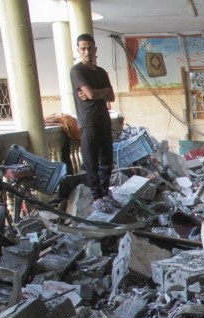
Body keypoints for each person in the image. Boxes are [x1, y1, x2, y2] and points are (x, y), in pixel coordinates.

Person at [71, 33, 116, 213]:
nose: (87, 51)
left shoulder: (102, 72)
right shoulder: (77, 71)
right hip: (88, 122)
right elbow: (90, 95)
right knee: (91, 162)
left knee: (107, 160)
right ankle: (97, 197)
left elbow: (111, 96)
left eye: (90, 48)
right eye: (83, 48)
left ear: (95, 49)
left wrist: (97, 92)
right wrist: (101, 92)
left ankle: (105, 194)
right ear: (79, 50)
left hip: (104, 119)